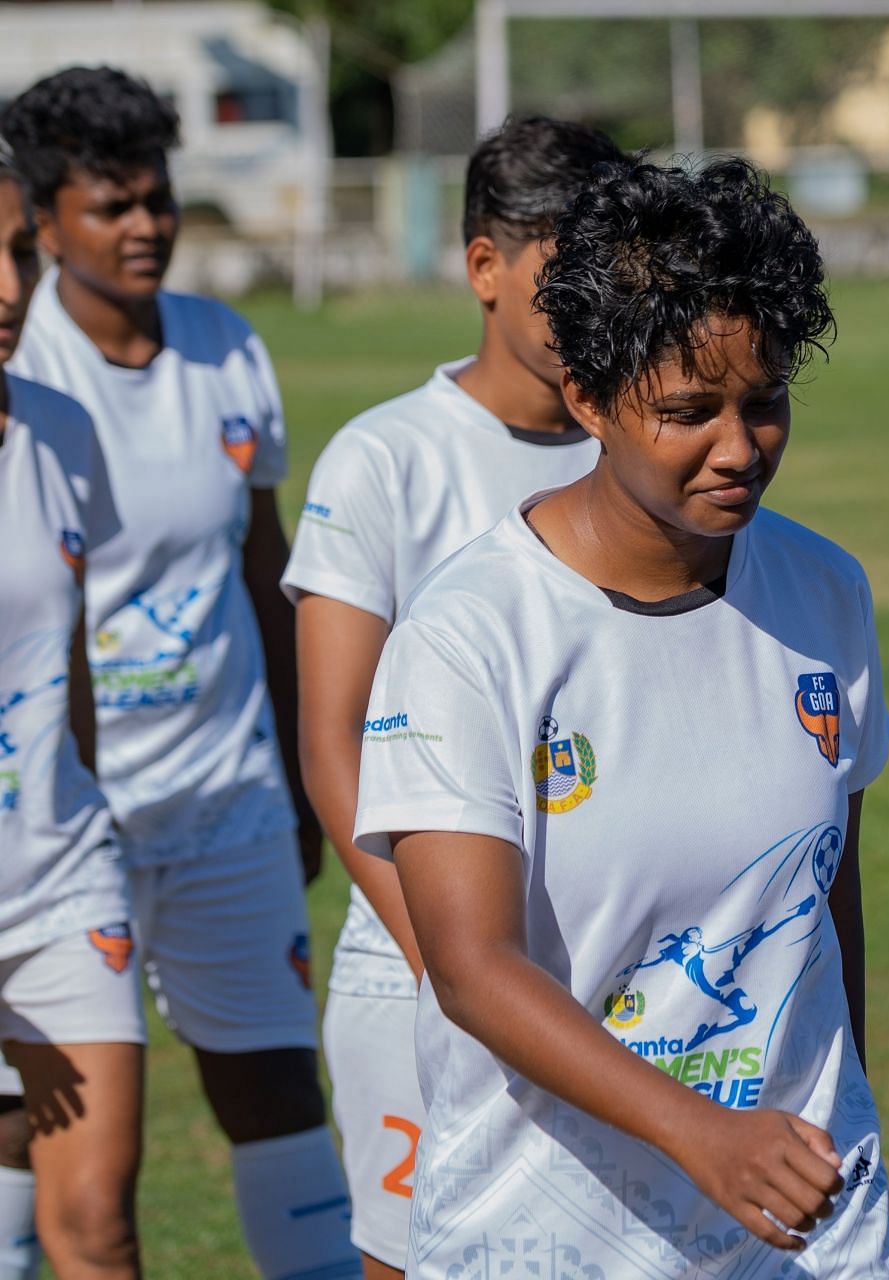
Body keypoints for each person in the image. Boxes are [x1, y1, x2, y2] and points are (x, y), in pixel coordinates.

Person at [352, 156, 889, 1278]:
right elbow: (472, 965)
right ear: (591, 400)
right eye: (690, 412)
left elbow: (828, 880)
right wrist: (702, 1131)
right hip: (550, 1224)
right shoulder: (473, 630)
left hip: (797, 1219)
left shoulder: (824, 590)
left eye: (767, 401)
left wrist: (825, 1110)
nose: (740, 448)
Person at [1, 67, 357, 1278]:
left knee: (275, 1087)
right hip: (63, 822)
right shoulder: (22, 365)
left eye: (159, 200)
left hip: (225, 807)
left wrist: (310, 781)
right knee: (33, 1158)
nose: (146, 226)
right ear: (42, 219)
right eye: (111, 206)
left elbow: (270, 575)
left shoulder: (227, 350)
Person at [281, 115, 622, 1279]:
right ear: (483, 266)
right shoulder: (384, 460)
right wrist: (455, 962)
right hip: (417, 960)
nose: (587, 298)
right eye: (557, 269)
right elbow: (333, 745)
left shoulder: (632, 447)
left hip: (603, 953)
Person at [0, 153, 146, 1279]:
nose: (9, 292)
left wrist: (80, 793)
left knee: (96, 1223)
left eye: (15, 255)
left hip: (61, 880)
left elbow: (71, 658)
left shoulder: (61, 429)